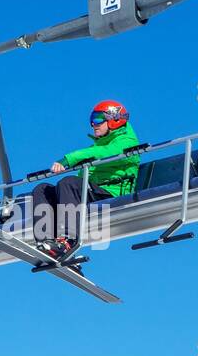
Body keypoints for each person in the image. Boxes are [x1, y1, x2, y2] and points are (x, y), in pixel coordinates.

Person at [30, 99, 140, 261]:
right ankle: (46, 242)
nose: (93, 124)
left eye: (97, 120)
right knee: (43, 189)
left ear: (114, 120)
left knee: (68, 183)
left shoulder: (128, 142)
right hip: (91, 191)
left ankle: (67, 241)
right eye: (91, 121)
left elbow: (108, 153)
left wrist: (68, 160)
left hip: (110, 192)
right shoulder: (96, 148)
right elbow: (96, 154)